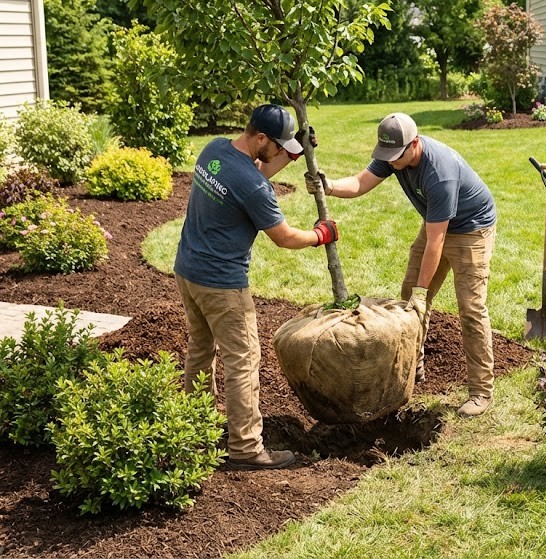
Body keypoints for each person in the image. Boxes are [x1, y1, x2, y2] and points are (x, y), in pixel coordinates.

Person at [174, 104, 339, 470]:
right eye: (278, 145)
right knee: (243, 359)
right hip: (221, 284)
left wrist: (294, 151)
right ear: (261, 138)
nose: (280, 151)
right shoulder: (252, 186)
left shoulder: (215, 149)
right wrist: (319, 234)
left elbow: (256, 174)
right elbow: (283, 237)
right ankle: (246, 448)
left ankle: (195, 427)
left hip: (188, 270)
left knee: (201, 349)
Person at [305, 112, 498, 417]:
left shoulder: (439, 173)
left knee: (471, 309)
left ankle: (481, 391)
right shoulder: (394, 152)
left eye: (396, 156)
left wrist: (424, 291)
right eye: (387, 156)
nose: (391, 162)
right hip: (436, 222)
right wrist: (327, 186)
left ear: (415, 144)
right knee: (409, 297)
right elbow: (359, 182)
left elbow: (437, 241)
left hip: (471, 229)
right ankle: (414, 365)